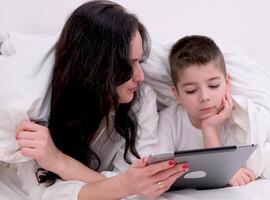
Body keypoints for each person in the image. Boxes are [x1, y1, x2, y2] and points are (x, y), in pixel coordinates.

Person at [14, 1, 188, 199]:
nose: (140, 76)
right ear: (97, 66)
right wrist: (125, 184)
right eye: (129, 64)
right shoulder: (38, 107)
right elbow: (42, 193)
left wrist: (60, 162)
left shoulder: (142, 100)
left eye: (139, 62)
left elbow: (135, 187)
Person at [157, 35, 256, 186]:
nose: (204, 97)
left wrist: (209, 128)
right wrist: (209, 128)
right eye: (191, 91)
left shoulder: (237, 117)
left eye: (214, 86)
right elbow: (159, 173)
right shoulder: (168, 122)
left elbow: (238, 169)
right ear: (176, 94)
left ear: (227, 83)